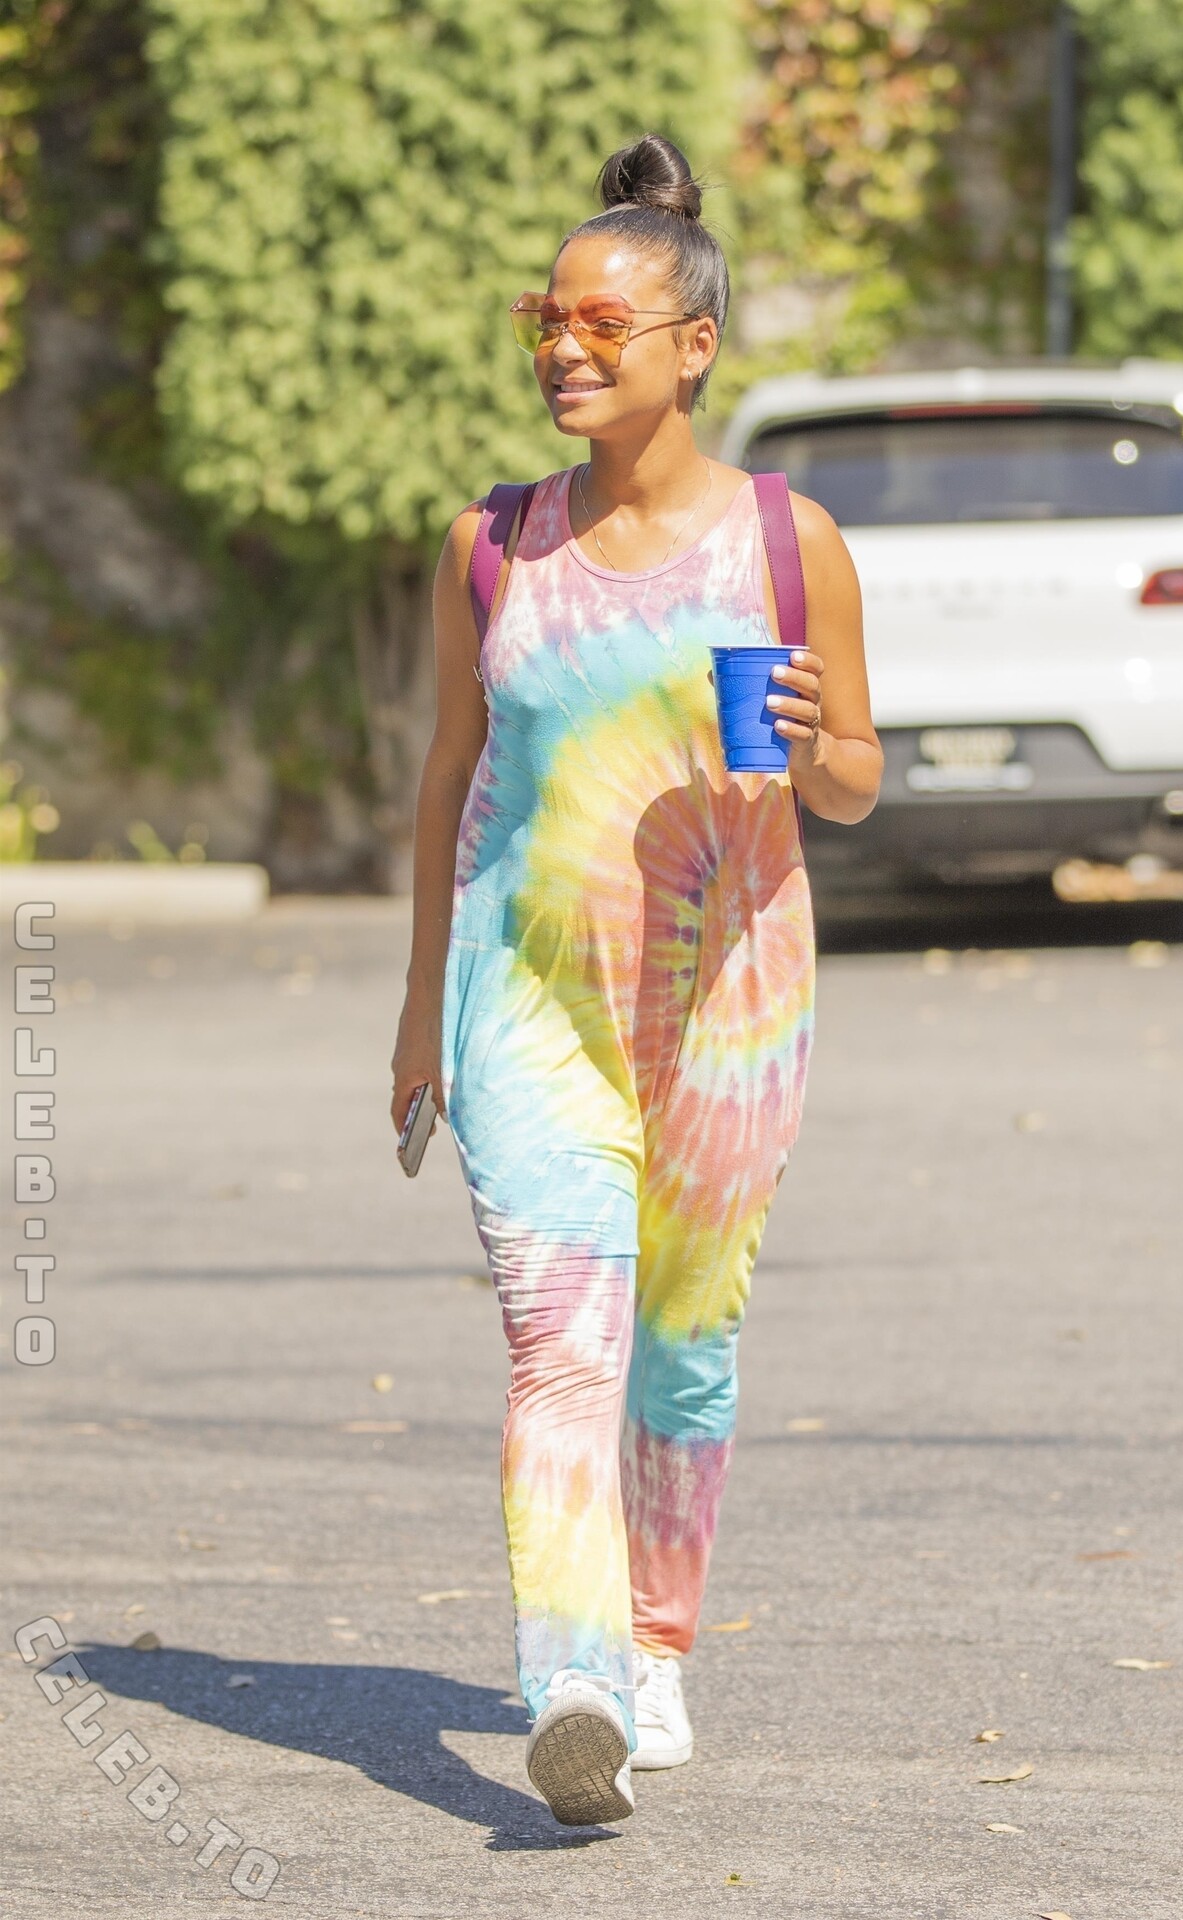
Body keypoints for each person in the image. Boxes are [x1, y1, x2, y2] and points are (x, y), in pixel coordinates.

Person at [391, 132, 881, 1828]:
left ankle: (656, 1644)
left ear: (694, 345)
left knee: (684, 1345)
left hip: (732, 1011)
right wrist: (419, 1008)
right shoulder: (491, 545)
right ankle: (575, 1685)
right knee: (559, 1349)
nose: (565, 349)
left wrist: (818, 748)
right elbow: (449, 773)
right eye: (547, 320)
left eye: (603, 323)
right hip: (529, 1005)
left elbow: (856, 782)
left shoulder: (787, 540)